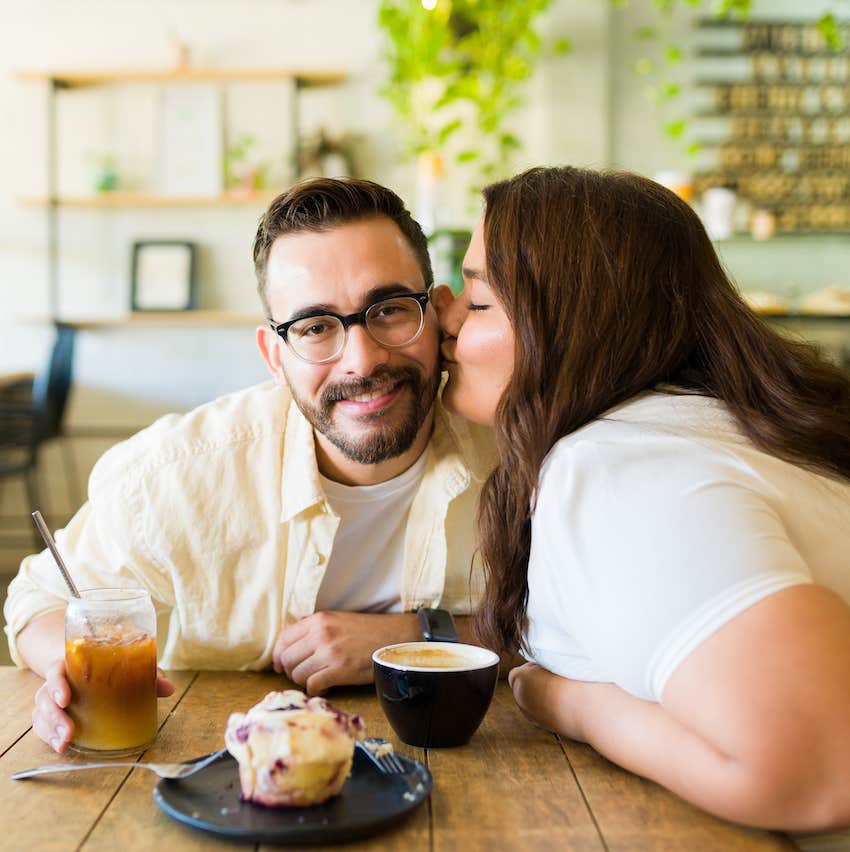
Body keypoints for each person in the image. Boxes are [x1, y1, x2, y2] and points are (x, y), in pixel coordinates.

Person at [5, 177, 496, 754]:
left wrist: (418, 637)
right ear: (273, 355)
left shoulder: (517, 454)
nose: (362, 360)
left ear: (436, 311)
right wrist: (61, 668)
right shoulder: (180, 472)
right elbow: (39, 599)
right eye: (316, 327)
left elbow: (567, 635)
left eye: (387, 310)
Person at [434, 165, 850, 831]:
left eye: (478, 301)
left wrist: (573, 704)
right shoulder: (701, 425)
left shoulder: (621, 473)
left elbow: (818, 767)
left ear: (576, 325)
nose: (443, 316)